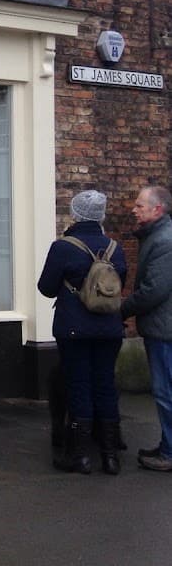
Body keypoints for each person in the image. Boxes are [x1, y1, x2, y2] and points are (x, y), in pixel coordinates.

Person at [37, 190, 128, 475]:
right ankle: (110, 456)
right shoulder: (115, 248)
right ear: (101, 215)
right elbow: (118, 284)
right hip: (110, 328)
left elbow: (46, 287)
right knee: (105, 386)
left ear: (75, 214)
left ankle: (78, 456)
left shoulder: (63, 247)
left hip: (74, 328)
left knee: (79, 387)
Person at [120, 185, 172, 472]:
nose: (134, 209)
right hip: (161, 328)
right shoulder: (157, 237)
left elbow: (154, 290)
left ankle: (170, 451)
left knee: (166, 393)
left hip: (165, 332)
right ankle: (167, 444)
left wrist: (123, 309)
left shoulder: (164, 241)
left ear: (157, 209)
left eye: (140, 205)